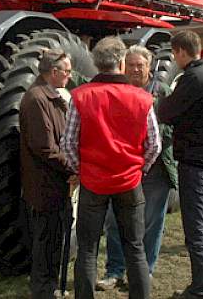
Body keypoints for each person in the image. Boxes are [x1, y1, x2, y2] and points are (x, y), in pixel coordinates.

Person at [62, 36, 159, 299]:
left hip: (93, 182)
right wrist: (140, 170)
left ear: (95, 62)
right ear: (122, 61)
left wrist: (80, 171)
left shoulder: (80, 96)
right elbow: (154, 145)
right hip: (129, 181)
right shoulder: (142, 98)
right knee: (135, 248)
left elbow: (68, 143)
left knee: (87, 249)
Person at [98, 46, 175, 291]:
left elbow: (173, 128)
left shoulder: (162, 93)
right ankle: (115, 271)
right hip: (121, 168)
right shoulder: (117, 92)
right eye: (130, 64)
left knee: (151, 222)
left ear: (149, 67)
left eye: (139, 65)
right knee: (114, 219)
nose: (135, 69)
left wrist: (146, 148)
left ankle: (143, 270)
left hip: (155, 168)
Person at [157, 31, 203, 299]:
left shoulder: (193, 78)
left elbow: (165, 112)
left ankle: (199, 289)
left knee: (195, 227)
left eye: (175, 53)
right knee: (201, 224)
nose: (175, 57)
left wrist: (159, 100)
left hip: (196, 161)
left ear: (181, 52)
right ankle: (201, 283)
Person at [20, 49, 75, 299]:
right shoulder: (37, 100)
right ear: (53, 72)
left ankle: (48, 284)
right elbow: (45, 148)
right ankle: (43, 289)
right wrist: (74, 167)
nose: (69, 76)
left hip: (54, 182)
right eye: (67, 71)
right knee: (46, 240)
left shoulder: (49, 97)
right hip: (45, 185)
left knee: (53, 237)